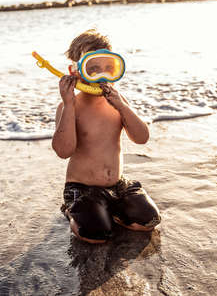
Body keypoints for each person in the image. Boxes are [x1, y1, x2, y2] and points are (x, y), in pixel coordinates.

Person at [52, 29, 161, 244]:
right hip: (82, 189)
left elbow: (141, 138)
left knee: (148, 221)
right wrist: (69, 105)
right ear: (75, 71)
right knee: (96, 236)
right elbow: (64, 151)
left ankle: (109, 208)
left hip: (118, 185)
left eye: (108, 68)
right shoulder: (69, 107)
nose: (102, 75)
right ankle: (72, 210)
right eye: (92, 69)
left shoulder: (118, 102)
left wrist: (122, 107)